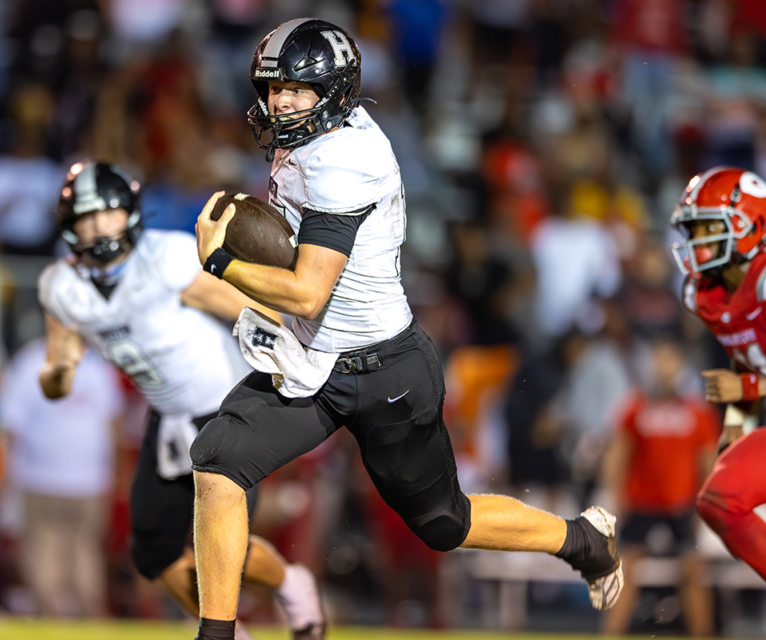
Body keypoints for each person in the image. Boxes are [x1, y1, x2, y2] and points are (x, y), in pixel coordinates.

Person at [190, 19, 623, 640]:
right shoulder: (317, 134)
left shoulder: (346, 161)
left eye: (295, 88)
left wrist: (222, 264)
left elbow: (309, 291)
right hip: (315, 362)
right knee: (218, 463)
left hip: (383, 367)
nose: (280, 100)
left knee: (444, 523)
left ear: (334, 93)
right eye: (273, 85)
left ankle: (583, 538)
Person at [37, 161, 325, 639]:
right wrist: (59, 374)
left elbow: (253, 307)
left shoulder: (165, 258)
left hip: (224, 407)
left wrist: (300, 355)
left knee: (215, 542)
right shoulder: (62, 287)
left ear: (127, 212)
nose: (96, 226)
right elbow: (59, 364)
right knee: (155, 550)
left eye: (105, 213)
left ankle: (291, 585)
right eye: (85, 217)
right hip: (168, 415)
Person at [669, 165, 766, 582]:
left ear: (749, 223)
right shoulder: (707, 294)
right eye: (694, 232)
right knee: (721, 499)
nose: (698, 244)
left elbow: (747, 375)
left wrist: (744, 386)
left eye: (708, 228)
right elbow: (748, 356)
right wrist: (736, 429)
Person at [0, 336, 125, 617]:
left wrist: (116, 475)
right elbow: (9, 430)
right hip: (41, 480)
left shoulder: (92, 366)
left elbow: (114, 425)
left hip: (83, 482)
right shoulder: (33, 361)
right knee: (48, 571)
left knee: (81, 567)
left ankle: (81, 624)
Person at [601, 336, 717, 636]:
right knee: (624, 571)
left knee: (693, 572)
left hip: (681, 505)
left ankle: (702, 634)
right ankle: (610, 634)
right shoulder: (636, 408)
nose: (665, 369)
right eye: (660, 361)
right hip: (641, 504)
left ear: (681, 367)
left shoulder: (697, 412)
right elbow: (618, 454)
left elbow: (706, 462)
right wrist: (617, 496)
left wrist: (704, 503)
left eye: (670, 362)